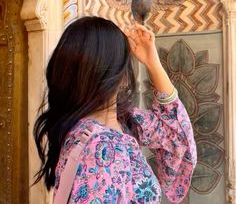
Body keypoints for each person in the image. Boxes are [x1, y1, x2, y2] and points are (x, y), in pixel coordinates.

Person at [34, 16, 197, 204]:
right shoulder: (102, 148)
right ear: (122, 77)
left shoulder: (121, 122)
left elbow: (175, 135)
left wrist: (154, 64)